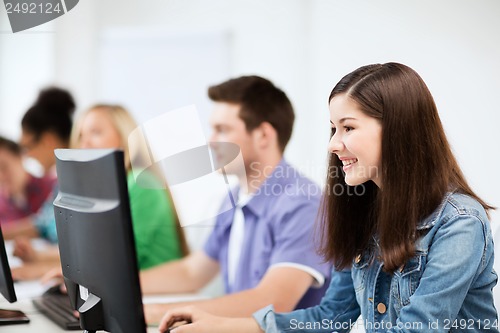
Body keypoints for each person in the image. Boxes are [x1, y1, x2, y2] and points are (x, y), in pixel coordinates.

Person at [157, 63, 498, 333]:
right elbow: (332, 316)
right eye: (333, 128)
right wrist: (219, 325)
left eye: (348, 128)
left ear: (397, 129)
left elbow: (417, 329)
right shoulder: (363, 213)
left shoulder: (460, 223)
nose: (333, 144)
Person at [141, 76, 330, 323]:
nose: (211, 141)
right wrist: (117, 286)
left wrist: (156, 313)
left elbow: (273, 301)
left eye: (222, 129)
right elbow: (193, 272)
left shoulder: (304, 204)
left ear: (263, 135)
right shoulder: (233, 198)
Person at [70, 104, 187, 269]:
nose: (85, 144)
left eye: (96, 132)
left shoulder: (142, 183)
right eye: (81, 136)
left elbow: (119, 258)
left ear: (124, 137)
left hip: (161, 292)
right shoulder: (110, 187)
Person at [4, 87, 75, 243]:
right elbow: (41, 224)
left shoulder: (79, 181)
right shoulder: (63, 182)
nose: (26, 155)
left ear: (47, 140)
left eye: (27, 147)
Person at [0, 136, 53, 224]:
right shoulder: (1, 206)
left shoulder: (52, 188)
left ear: (21, 156)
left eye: (4, 166)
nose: (1, 176)